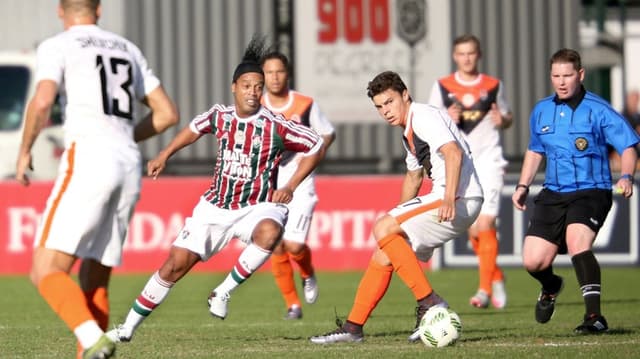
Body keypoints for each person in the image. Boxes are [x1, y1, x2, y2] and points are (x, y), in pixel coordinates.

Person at [105, 36, 324, 344]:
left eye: (258, 87)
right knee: (173, 266)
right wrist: (164, 155)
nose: (253, 92)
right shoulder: (219, 116)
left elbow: (316, 144)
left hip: (257, 205)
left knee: (270, 233)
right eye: (247, 85)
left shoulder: (276, 125)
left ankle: (222, 292)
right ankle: (126, 328)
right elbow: (193, 130)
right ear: (234, 86)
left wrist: (290, 185)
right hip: (215, 207)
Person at [14, 1, 178, 358]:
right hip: (128, 165)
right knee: (95, 277)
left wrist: (25, 149)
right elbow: (167, 114)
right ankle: (92, 346)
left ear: (61, 10)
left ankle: (91, 338)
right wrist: (123, 137)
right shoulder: (127, 49)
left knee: (45, 270)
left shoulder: (59, 45)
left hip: (89, 157)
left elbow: (42, 101)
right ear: (98, 10)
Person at [309, 71, 483, 344]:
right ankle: (353, 327)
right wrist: (396, 225)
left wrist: (448, 197)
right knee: (384, 250)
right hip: (456, 196)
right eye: (379, 106)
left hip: (459, 196)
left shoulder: (423, 116)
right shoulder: (408, 131)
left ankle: (430, 302)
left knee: (382, 226)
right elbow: (413, 177)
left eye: (389, 102)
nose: (385, 111)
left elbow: (453, 152)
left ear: (405, 95)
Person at [512, 48, 639, 334]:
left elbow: (628, 146)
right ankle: (551, 285)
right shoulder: (542, 109)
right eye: (556, 75)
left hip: (591, 190)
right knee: (533, 261)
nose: (561, 81)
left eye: (567, 75)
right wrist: (522, 186)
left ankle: (594, 317)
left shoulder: (598, 109)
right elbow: (535, 150)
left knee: (577, 240)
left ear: (580, 75)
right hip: (553, 192)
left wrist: (627, 176)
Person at [428, 34, 511, 309]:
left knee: (486, 224)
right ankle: (495, 275)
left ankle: (484, 290)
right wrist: (445, 118)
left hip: (489, 161)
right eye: (462, 53)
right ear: (455, 56)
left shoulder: (493, 85)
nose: (467, 58)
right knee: (474, 230)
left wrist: (504, 119)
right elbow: (430, 123)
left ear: (479, 55)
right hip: (461, 165)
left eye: (471, 53)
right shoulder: (442, 87)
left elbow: (506, 117)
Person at [260, 50, 336, 319]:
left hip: (300, 184)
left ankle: (307, 272)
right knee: (275, 245)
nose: (275, 77)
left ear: (287, 73)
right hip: (269, 185)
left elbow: (327, 133)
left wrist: (312, 156)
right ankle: (293, 305)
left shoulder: (304, 105)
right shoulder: (257, 106)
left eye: (279, 71)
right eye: (269, 72)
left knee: (293, 245)